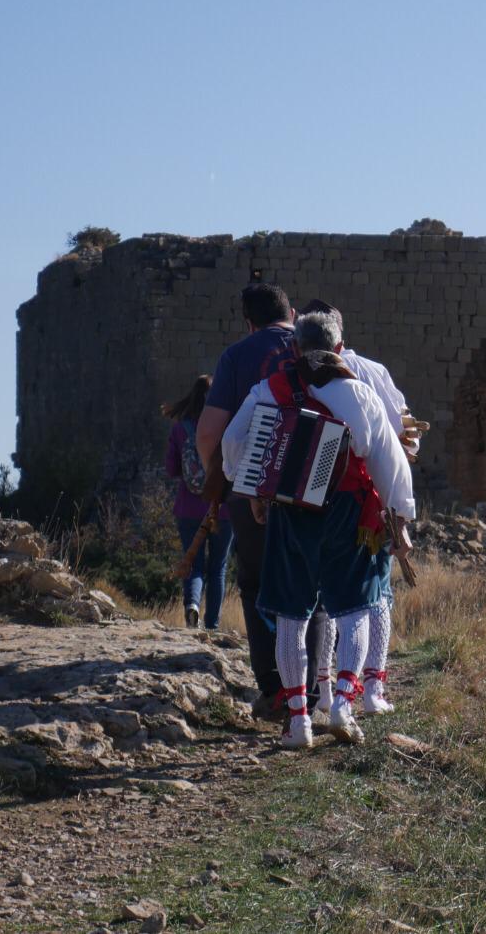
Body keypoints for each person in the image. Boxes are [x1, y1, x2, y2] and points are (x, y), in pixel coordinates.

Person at [220, 311, 416, 750]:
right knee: (353, 609)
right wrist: (400, 516)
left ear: (294, 349)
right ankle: (345, 705)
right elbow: (388, 459)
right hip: (349, 510)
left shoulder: (268, 390)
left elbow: (232, 440)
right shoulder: (360, 392)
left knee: (292, 614)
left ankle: (298, 720)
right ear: (340, 349)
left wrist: (250, 484)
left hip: (293, 511)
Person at [302, 299, 412, 715]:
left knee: (321, 603)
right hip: (363, 503)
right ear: (341, 339)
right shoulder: (366, 374)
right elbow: (395, 434)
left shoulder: (283, 379)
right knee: (374, 597)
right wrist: (402, 513)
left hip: (302, 506)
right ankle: (369, 691)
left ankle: (321, 695)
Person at [195, 283, 298, 719]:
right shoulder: (316, 348)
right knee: (311, 585)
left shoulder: (236, 357)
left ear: (249, 321)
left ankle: (275, 689)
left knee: (258, 586)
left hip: (252, 487)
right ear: (291, 314)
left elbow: (207, 433)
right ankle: (317, 688)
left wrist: (220, 479)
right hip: (317, 486)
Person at [163, 374, 231, 629]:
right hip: (221, 508)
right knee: (218, 567)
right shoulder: (226, 427)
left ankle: (192, 605)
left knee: (193, 562)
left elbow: (171, 469)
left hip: (188, 508)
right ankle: (212, 624)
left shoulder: (181, 428)